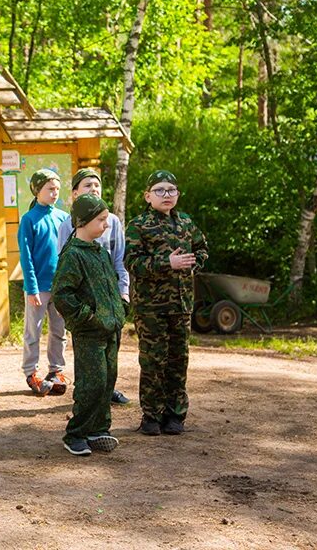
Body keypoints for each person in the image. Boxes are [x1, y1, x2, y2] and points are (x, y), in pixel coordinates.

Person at [124, 170, 208, 436]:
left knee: (177, 361)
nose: (166, 195)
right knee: (152, 362)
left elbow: (202, 249)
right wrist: (166, 263)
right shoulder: (139, 225)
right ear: (148, 196)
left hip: (181, 305)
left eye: (171, 190)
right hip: (151, 308)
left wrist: (193, 264)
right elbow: (131, 263)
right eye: (160, 190)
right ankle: (151, 416)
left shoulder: (185, 222)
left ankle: (175, 416)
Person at [52, 194, 125, 456]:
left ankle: (99, 429)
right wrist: (88, 318)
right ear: (83, 222)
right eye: (101, 220)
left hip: (110, 329)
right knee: (91, 383)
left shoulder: (100, 252)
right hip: (90, 332)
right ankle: (76, 434)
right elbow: (62, 294)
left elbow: (111, 286)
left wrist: (120, 310)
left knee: (107, 381)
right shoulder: (72, 255)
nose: (106, 225)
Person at [57, 168, 132, 405]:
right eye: (88, 186)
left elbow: (120, 260)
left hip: (110, 301)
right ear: (76, 192)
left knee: (111, 350)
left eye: (97, 185)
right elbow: (63, 266)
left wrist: (123, 294)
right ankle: (86, 394)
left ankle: (107, 390)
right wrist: (81, 312)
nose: (94, 189)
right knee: (88, 352)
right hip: (85, 304)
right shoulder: (66, 225)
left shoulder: (113, 222)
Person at [18, 168, 70, 396]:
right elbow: (26, 256)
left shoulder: (63, 217)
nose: (54, 193)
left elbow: (68, 252)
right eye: (50, 189)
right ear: (37, 190)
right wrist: (31, 288)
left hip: (60, 287)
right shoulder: (29, 219)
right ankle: (32, 372)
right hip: (38, 287)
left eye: (57, 189)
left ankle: (56, 370)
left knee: (60, 330)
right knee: (34, 332)